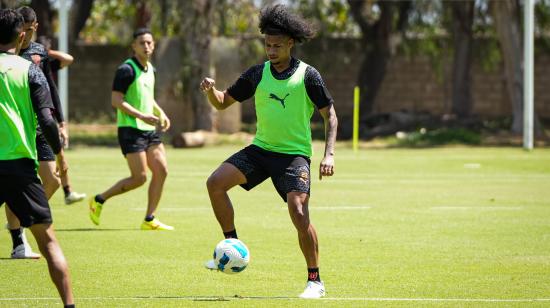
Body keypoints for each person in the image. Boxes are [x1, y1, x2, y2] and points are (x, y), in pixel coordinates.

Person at [200, 4, 338, 299]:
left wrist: (329, 155)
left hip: (294, 155)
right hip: (261, 150)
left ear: (290, 44)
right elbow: (223, 102)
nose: (271, 50)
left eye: (277, 45)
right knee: (215, 183)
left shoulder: (308, 76)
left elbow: (331, 115)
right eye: (267, 45)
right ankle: (232, 248)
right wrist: (211, 91)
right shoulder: (257, 74)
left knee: (299, 213)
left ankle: (315, 281)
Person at [0, 8, 74, 307]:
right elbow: (46, 120)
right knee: (49, 243)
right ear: (22, 35)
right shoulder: (29, 70)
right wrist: (59, 155)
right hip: (20, 166)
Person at [89, 28, 172, 230]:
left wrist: (161, 112)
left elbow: (147, 97)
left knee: (161, 170)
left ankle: (149, 219)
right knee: (140, 178)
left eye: (149, 42)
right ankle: (99, 199)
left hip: (148, 130)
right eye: (142, 43)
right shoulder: (126, 70)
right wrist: (142, 115)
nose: (146, 46)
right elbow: (116, 101)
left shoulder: (151, 69)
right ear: (133, 46)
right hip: (130, 129)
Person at [17, 6, 86, 205]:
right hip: (16, 125)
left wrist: (62, 122)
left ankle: (22, 220)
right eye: (22, 29)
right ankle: (18, 224)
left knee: (53, 181)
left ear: (35, 27)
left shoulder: (40, 53)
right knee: (15, 182)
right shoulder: (7, 53)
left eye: (29, 29)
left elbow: (51, 88)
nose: (25, 34)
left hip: (40, 127)